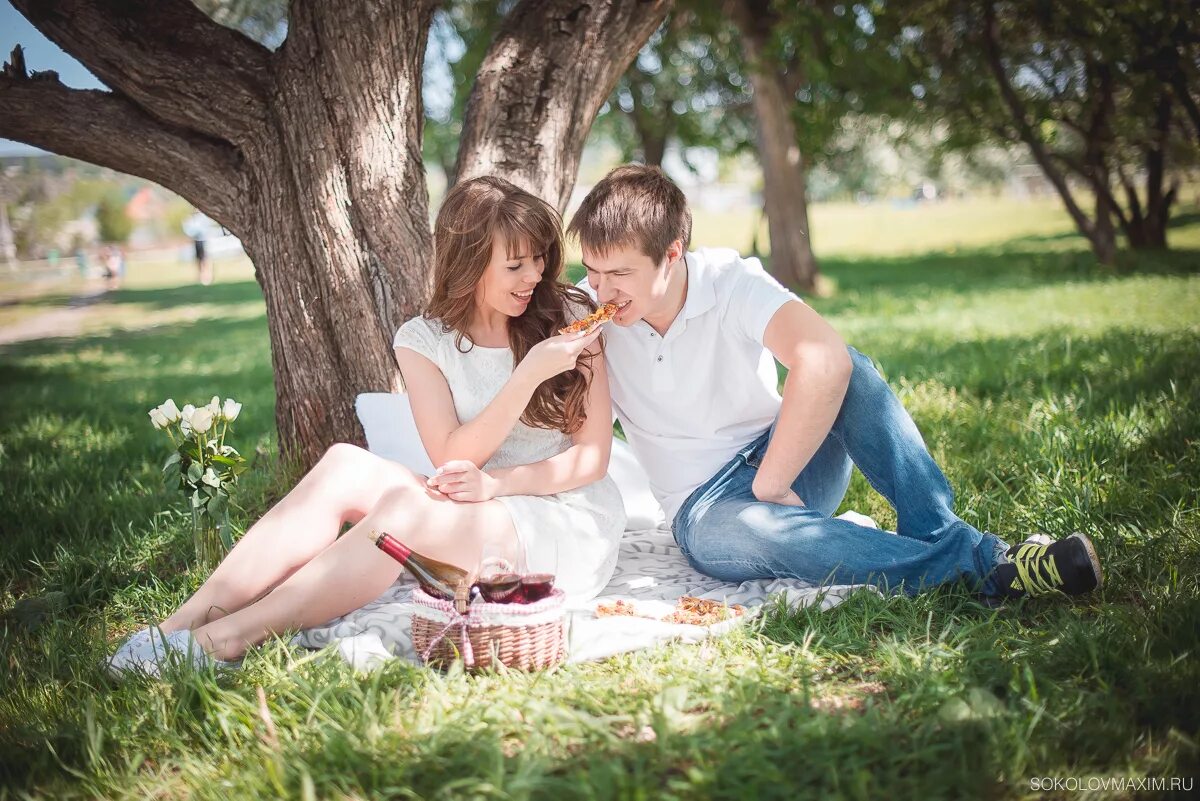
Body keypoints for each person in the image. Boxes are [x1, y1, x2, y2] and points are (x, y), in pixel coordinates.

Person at [107, 176, 625, 675]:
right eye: (515, 265)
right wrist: (526, 378)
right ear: (469, 264)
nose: (534, 275)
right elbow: (452, 455)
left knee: (402, 511)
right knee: (343, 465)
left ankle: (226, 639)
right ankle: (176, 626)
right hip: (473, 500)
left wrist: (500, 475)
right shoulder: (423, 339)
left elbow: (591, 459)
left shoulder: (571, 314)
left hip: (557, 518)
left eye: (539, 258)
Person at [566, 164, 1102, 602]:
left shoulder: (729, 282)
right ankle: (989, 563)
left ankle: (938, 532)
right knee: (749, 530)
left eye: (619, 274)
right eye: (592, 270)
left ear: (673, 254)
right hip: (706, 510)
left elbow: (825, 360)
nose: (601, 289)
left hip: (786, 465)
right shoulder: (585, 317)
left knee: (852, 366)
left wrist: (772, 485)